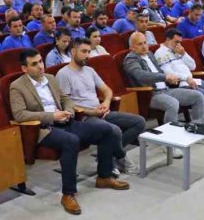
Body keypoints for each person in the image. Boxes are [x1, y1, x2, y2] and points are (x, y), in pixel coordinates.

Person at [8, 48, 129, 215]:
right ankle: (68, 194)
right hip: (44, 128)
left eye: (41, 61)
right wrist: (52, 116)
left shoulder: (50, 78)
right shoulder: (17, 86)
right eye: (34, 64)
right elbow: (20, 114)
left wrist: (69, 111)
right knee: (71, 141)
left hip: (66, 121)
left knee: (107, 130)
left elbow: (65, 99)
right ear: (24, 68)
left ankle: (104, 176)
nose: (40, 66)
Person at [56, 38, 146, 174]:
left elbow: (107, 90)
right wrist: (91, 112)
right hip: (83, 117)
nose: (87, 55)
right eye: (84, 51)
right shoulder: (63, 74)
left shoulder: (89, 70)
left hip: (101, 112)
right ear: (73, 52)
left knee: (139, 122)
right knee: (114, 130)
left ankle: (109, 154)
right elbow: (66, 103)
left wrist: (106, 103)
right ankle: (119, 157)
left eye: (89, 52)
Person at [122, 31, 204, 147]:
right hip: (150, 94)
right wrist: (165, 77)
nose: (144, 46)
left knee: (198, 96)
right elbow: (142, 76)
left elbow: (160, 71)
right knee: (173, 103)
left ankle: (199, 131)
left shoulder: (150, 54)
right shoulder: (130, 59)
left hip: (166, 89)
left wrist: (174, 77)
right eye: (140, 44)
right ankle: (170, 144)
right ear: (132, 47)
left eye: (145, 42)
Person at [155, 29, 204, 130]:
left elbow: (193, 66)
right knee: (202, 93)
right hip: (180, 84)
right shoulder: (160, 53)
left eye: (180, 42)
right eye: (176, 42)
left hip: (192, 80)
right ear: (168, 40)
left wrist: (184, 54)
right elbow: (168, 73)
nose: (178, 45)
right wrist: (186, 78)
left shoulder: (179, 50)